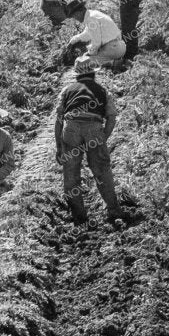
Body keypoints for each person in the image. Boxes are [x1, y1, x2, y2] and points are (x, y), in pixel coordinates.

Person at [53, 56, 125, 226]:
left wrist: (59, 147)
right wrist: (103, 138)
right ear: (94, 73)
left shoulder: (67, 90)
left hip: (71, 128)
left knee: (71, 174)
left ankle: (80, 217)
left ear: (76, 74)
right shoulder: (102, 91)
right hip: (94, 127)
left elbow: (59, 120)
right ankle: (114, 210)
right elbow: (112, 118)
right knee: (102, 170)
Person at [61, 0, 127, 68]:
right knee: (84, 58)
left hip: (112, 49)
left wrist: (89, 53)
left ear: (80, 11)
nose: (75, 18)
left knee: (79, 63)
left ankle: (112, 63)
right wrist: (72, 41)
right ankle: (113, 61)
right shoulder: (93, 15)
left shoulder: (91, 19)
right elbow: (87, 34)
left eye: (75, 15)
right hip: (119, 47)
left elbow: (96, 42)